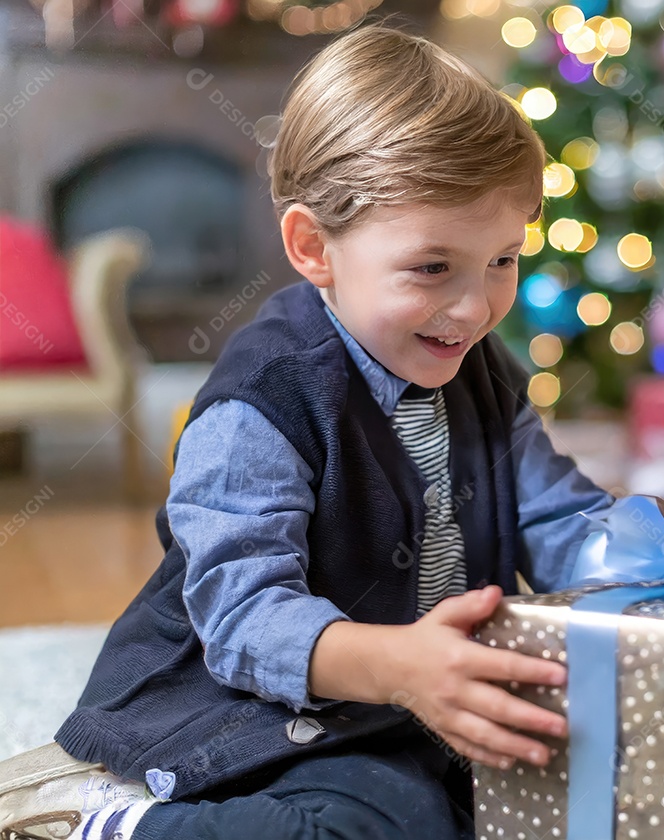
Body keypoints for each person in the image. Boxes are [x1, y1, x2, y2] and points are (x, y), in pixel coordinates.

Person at [0, 20, 615, 840]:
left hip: (406, 702)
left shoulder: (482, 369)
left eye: (503, 259)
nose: (475, 307)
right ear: (311, 245)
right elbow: (246, 622)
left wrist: (647, 561)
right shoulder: (263, 402)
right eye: (433, 267)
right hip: (253, 716)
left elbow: (553, 516)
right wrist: (396, 668)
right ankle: (115, 824)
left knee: (562, 785)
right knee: (380, 827)